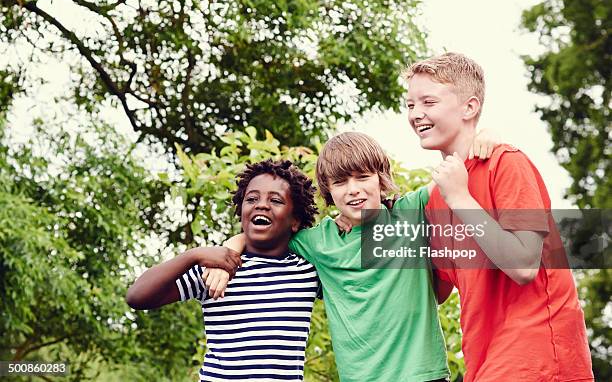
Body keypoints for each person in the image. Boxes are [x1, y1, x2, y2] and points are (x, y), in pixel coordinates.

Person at [206, 131, 499, 382]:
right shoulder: (320, 241)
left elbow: (464, 167)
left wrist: (485, 137)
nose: (354, 190)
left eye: (363, 177)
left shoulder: (412, 213)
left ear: (381, 180)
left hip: (422, 375)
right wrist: (231, 249)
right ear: (328, 192)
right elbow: (266, 234)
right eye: (341, 182)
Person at [403, 52, 594, 382]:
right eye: (409, 105)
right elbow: (434, 291)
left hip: (539, 362)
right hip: (484, 364)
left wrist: (461, 198)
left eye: (428, 102)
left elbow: (523, 266)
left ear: (470, 107)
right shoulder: (437, 196)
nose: (416, 113)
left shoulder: (506, 164)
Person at [126, 159, 320, 382]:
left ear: (295, 221)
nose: (261, 205)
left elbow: (369, 275)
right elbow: (136, 297)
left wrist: (368, 208)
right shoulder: (216, 270)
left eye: (275, 200)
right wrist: (194, 255)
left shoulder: (306, 273)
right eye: (252, 199)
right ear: (241, 211)